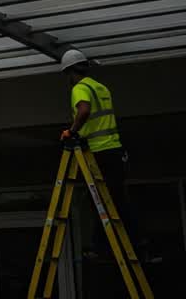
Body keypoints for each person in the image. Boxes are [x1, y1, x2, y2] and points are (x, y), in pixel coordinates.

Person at [60, 48, 136, 249]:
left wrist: (72, 131)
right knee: (118, 200)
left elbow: (84, 110)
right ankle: (136, 243)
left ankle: (100, 245)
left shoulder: (79, 88)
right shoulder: (101, 88)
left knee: (98, 201)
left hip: (97, 152)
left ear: (70, 73)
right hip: (115, 150)